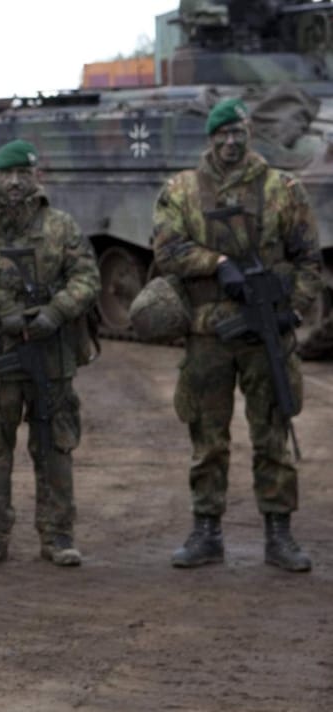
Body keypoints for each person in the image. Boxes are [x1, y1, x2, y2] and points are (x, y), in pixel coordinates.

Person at [153, 97, 321, 572]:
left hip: (265, 335)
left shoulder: (282, 189)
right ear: (210, 138)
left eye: (238, 132)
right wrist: (217, 264)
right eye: (222, 134)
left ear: (250, 134)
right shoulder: (182, 191)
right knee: (207, 438)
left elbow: (309, 260)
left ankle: (279, 534)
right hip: (209, 334)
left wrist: (294, 309)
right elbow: (166, 250)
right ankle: (206, 530)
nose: (231, 142)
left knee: (273, 435)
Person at [0, 139, 101, 567]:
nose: (14, 182)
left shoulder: (61, 227)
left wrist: (56, 311)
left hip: (52, 358)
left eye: (22, 173)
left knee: (55, 447)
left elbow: (87, 277)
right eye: (6, 174)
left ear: (36, 177)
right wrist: (1, 307)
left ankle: (58, 535)